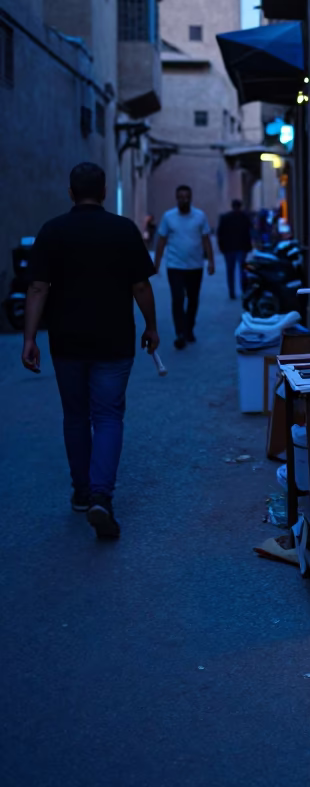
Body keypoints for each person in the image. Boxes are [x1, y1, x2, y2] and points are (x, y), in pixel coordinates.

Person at [21, 162, 160, 540]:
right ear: (102, 192)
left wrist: (29, 338)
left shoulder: (52, 231)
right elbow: (142, 287)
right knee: (109, 416)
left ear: (71, 192)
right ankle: (101, 495)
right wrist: (151, 325)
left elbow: (37, 288)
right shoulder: (123, 230)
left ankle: (82, 491)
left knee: (76, 415)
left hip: (66, 341)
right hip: (114, 341)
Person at [154, 184, 215, 349]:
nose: (184, 200)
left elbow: (206, 239)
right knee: (178, 299)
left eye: (186, 197)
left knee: (193, 299)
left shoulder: (200, 216)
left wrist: (211, 261)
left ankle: (189, 329)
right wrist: (157, 263)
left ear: (191, 198)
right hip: (175, 265)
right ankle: (180, 333)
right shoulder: (169, 217)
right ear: (176, 198)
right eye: (180, 197)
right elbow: (161, 241)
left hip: (195, 266)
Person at [216, 199, 252, 300]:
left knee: (230, 271)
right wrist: (248, 247)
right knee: (242, 270)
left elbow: (220, 234)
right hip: (241, 248)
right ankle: (243, 291)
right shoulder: (244, 217)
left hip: (229, 248)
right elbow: (248, 233)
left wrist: (221, 247)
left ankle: (231, 292)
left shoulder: (225, 218)